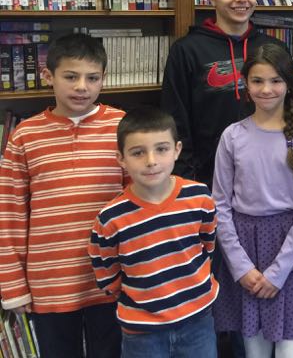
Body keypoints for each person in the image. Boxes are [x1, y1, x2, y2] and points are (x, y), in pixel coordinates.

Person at [0, 33, 125, 358]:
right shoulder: (25, 135)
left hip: (111, 279)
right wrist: (13, 284)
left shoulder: (122, 127)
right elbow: (10, 213)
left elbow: (137, 203)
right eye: (71, 76)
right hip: (50, 283)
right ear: (48, 76)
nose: (82, 86)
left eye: (92, 78)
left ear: (103, 80)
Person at [212, 44, 293, 357]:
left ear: (288, 84)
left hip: (292, 249)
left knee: (292, 349)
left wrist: (278, 270)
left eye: (275, 81)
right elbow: (220, 205)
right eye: (257, 81)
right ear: (245, 85)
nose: (266, 89)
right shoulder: (232, 136)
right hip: (244, 247)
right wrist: (240, 267)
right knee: (254, 349)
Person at [88, 107, 218, 358]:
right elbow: (106, 272)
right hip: (142, 332)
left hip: (197, 321)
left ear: (177, 150)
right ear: (121, 158)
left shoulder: (199, 196)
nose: (151, 161)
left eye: (161, 149)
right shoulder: (111, 217)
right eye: (138, 153)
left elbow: (208, 244)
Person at [160, 0, 287, 188]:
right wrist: (187, 182)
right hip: (208, 177)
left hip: (269, 173)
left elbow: (289, 108)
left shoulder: (274, 48)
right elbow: (176, 119)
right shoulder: (187, 50)